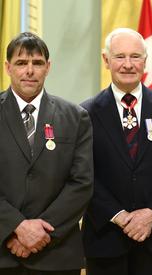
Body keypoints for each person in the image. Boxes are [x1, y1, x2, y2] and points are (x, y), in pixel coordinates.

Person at [81, 28, 152, 275]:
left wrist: (151, 214)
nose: (128, 64)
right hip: (106, 240)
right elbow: (83, 174)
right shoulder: (85, 114)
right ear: (106, 60)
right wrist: (119, 216)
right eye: (120, 56)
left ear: (145, 60)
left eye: (135, 56)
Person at [0, 32, 93, 275]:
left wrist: (39, 233)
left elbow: (82, 182)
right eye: (21, 63)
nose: (29, 71)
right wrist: (15, 227)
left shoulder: (76, 117)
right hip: (3, 250)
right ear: (8, 67)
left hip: (57, 253)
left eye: (37, 63)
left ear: (48, 67)